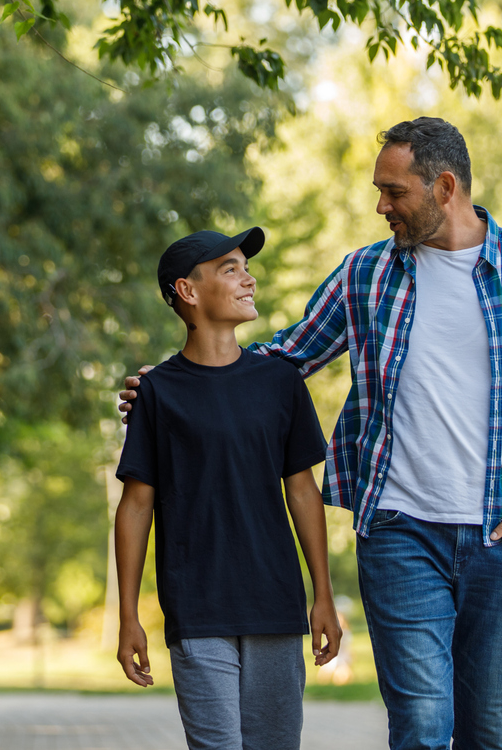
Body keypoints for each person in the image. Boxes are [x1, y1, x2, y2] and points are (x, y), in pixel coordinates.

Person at [122, 117, 502, 750]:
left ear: (443, 186)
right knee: (421, 727)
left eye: (394, 192)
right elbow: (282, 358)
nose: (382, 207)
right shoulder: (367, 274)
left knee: (488, 730)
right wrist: (170, 387)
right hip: (398, 529)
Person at [113, 226, 342, 750]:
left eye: (246, 267)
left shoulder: (280, 383)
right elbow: (135, 507)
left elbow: (303, 492)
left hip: (276, 603)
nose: (249, 279)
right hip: (197, 607)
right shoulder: (157, 394)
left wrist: (322, 594)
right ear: (188, 292)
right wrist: (129, 617)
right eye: (230, 269)